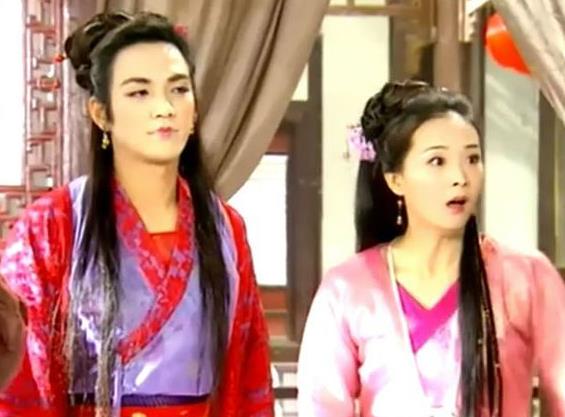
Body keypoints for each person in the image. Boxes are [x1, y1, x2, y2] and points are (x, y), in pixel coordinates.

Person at [0, 11, 273, 417]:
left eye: (178, 89)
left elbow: (249, 371)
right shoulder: (50, 227)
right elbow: (20, 375)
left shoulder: (225, 228)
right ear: (101, 113)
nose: (164, 107)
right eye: (139, 92)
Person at [297, 80, 565, 417]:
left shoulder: (527, 277)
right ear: (396, 179)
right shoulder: (347, 289)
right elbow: (321, 407)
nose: (460, 177)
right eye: (437, 161)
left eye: (472, 158)